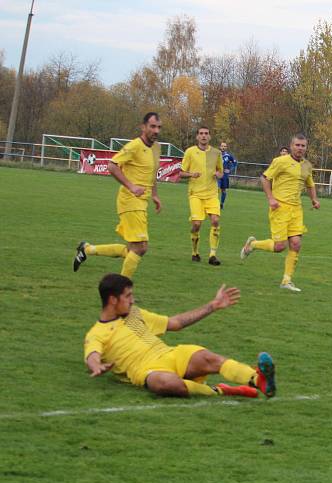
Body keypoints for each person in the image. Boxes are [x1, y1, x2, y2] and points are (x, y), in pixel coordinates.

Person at [83, 273, 276, 399]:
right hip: (146, 370)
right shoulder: (97, 333)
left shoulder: (135, 314)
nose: (133, 300)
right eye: (128, 296)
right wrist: (96, 366)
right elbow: (92, 354)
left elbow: (175, 323)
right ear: (112, 300)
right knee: (168, 384)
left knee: (207, 358)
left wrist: (212, 306)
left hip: (170, 355)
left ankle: (258, 379)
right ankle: (221, 390)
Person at [73, 112, 163, 278]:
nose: (156, 130)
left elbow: (152, 172)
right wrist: (131, 186)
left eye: (158, 127)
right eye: (152, 126)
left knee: (131, 249)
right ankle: (122, 290)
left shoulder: (156, 148)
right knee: (141, 248)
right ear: (143, 127)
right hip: (130, 200)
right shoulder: (133, 146)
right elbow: (112, 166)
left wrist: (155, 195)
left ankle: (86, 249)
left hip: (141, 202)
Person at [240, 134, 320, 292]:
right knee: (279, 247)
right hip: (280, 208)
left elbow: (310, 184)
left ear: (306, 147)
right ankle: (253, 245)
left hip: (296, 210)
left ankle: (286, 280)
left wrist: (314, 200)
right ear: (291, 146)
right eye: (297, 145)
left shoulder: (307, 166)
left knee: (296, 244)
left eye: (303, 146)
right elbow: (264, 178)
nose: (300, 148)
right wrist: (270, 198)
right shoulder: (280, 162)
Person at [181, 127, 224, 265]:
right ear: (197, 137)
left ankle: (212, 255)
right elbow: (181, 173)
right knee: (196, 224)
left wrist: (218, 174)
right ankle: (195, 252)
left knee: (216, 221)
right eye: (201, 134)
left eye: (206, 133)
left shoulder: (216, 153)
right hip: (196, 194)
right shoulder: (190, 152)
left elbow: (221, 172)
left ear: (210, 137)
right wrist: (191, 174)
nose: (204, 136)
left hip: (212, 194)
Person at [219, 141, 237, 209]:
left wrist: (230, 170)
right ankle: (214, 204)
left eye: (224, 146)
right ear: (220, 147)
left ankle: (221, 204)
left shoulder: (228, 156)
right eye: (222, 146)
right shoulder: (217, 155)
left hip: (225, 176)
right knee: (216, 189)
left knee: (223, 190)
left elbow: (235, 163)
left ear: (226, 147)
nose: (223, 147)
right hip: (217, 175)